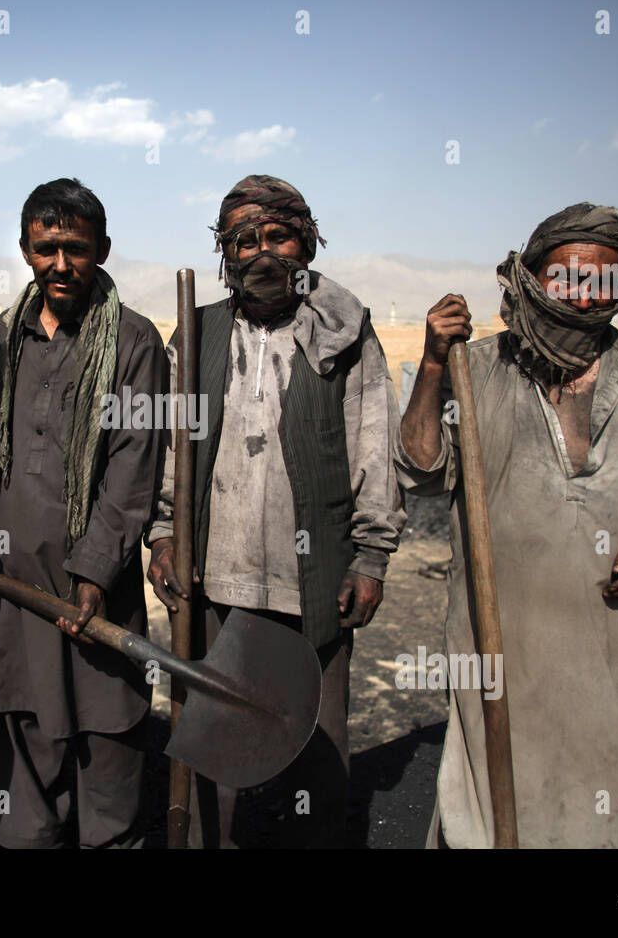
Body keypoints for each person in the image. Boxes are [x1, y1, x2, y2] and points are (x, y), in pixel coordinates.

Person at [395, 203, 618, 848]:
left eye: (603, 279)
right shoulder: (476, 367)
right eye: (567, 276)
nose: (583, 294)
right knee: (493, 798)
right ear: (532, 277)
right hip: (502, 630)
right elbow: (421, 468)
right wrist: (432, 365)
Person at [146, 174, 406, 847]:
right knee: (212, 745)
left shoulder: (345, 335)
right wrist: (166, 533)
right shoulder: (197, 333)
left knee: (316, 756)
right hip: (215, 578)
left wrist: (371, 555)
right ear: (225, 254)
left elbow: (374, 447)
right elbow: (170, 451)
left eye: (278, 235)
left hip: (311, 582)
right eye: (244, 240)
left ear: (307, 242)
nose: (263, 252)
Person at [0, 179, 167, 848]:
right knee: (26, 805)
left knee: (109, 789)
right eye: (45, 247)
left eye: (75, 249)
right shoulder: (5, 335)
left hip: (96, 598)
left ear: (102, 250)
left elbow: (134, 469)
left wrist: (94, 572)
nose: (60, 263)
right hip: (16, 594)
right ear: (25, 249)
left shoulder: (135, 342)